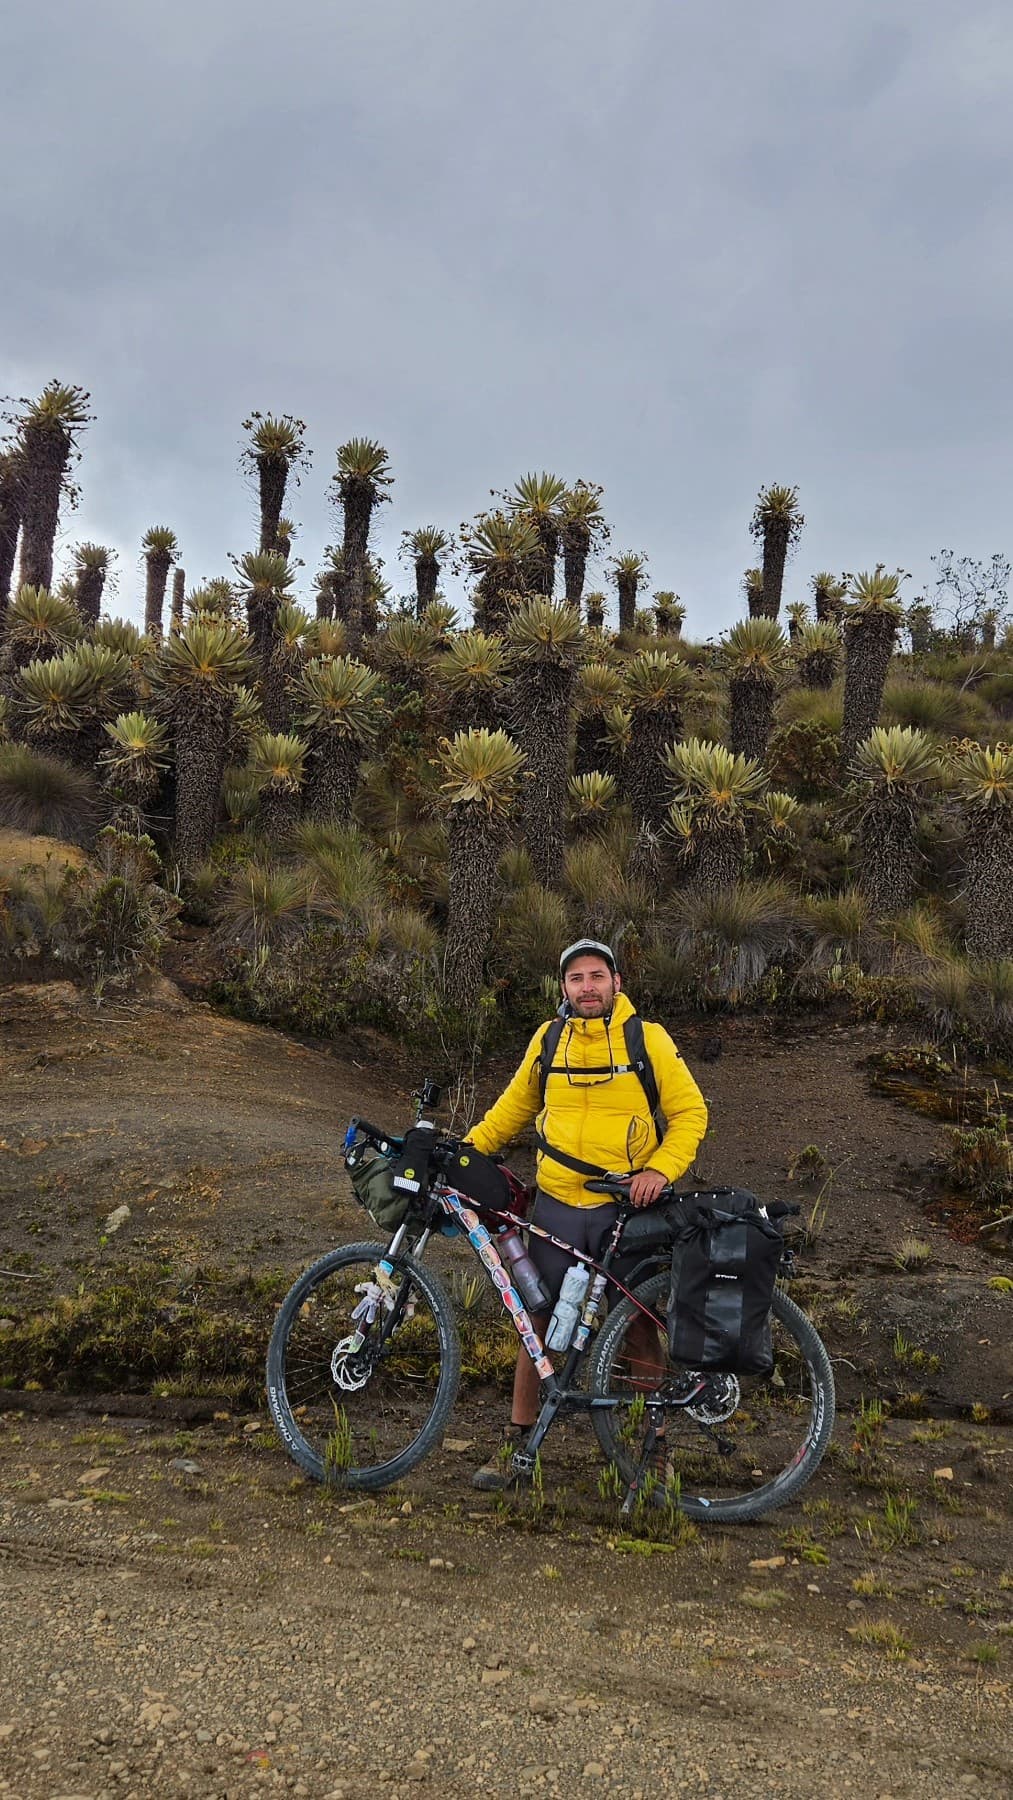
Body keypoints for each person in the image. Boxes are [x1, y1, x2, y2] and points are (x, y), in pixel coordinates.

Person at [466, 937, 708, 1489]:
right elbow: (512, 1110)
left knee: (640, 1333)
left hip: (625, 1212)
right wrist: (467, 1151)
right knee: (537, 1325)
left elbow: (690, 1113)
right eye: (576, 979)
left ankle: (653, 1448)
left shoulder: (647, 1040)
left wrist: (660, 1172)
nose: (587, 987)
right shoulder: (550, 1040)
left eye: (597, 976)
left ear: (616, 982)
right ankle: (519, 1444)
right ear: (564, 988)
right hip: (555, 1207)